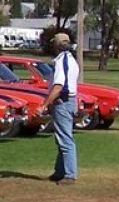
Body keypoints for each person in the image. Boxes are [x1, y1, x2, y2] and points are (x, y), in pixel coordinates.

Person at [38, 33, 80, 186]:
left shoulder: (62, 61)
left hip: (63, 102)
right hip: (68, 101)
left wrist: (44, 105)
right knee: (62, 138)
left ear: (56, 46)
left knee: (65, 139)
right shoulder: (71, 60)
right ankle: (60, 171)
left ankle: (69, 174)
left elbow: (58, 86)